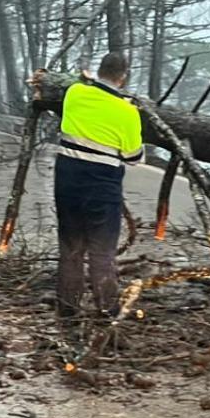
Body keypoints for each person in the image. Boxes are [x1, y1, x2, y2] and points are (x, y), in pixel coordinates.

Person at [54, 52, 143, 318]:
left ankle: (68, 307)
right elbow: (133, 157)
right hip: (102, 184)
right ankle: (107, 309)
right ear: (123, 77)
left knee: (71, 248)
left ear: (99, 70)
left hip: (67, 178)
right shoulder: (127, 112)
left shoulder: (74, 93)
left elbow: (82, 84)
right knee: (102, 251)